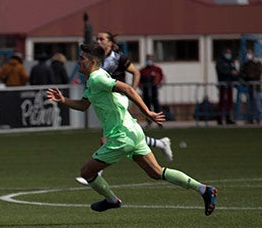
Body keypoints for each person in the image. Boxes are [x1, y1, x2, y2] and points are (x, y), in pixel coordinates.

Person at [45, 43, 217, 216]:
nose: (78, 62)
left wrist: (147, 112)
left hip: (121, 136)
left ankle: (112, 200)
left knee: (87, 172)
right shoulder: (95, 79)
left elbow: (127, 89)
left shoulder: (98, 78)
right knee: (156, 172)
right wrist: (63, 100)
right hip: (133, 131)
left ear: (91, 62)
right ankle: (203, 189)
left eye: (81, 58)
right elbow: (83, 105)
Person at [97, 31, 170, 160]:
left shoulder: (119, 58)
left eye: (101, 39)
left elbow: (136, 72)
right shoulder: (97, 58)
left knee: (107, 137)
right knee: (122, 134)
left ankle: (94, 173)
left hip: (118, 99)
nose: (98, 41)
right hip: (106, 100)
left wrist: (132, 90)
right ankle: (160, 143)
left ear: (109, 42)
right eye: (97, 39)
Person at [215, 47, 239, 125]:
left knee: (229, 102)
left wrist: (236, 77)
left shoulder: (231, 61)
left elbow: (234, 70)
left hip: (230, 84)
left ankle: (228, 118)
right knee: (222, 101)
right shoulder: (220, 61)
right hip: (223, 83)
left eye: (230, 53)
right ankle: (219, 118)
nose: (229, 54)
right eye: (227, 53)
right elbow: (221, 70)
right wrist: (230, 72)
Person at [240, 50, 262, 124]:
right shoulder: (245, 64)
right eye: (247, 54)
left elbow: (258, 73)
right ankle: (250, 119)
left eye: (250, 53)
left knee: (257, 102)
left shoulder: (257, 63)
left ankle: (258, 118)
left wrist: (250, 76)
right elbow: (242, 73)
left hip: (256, 87)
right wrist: (247, 77)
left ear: (253, 54)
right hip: (249, 87)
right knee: (249, 104)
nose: (248, 55)